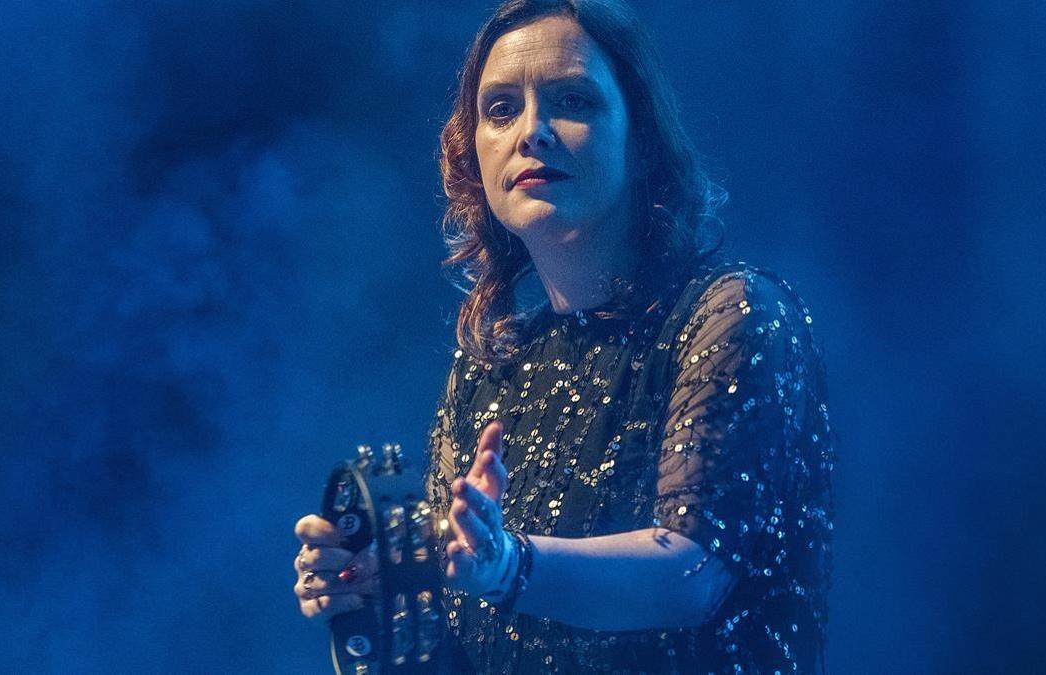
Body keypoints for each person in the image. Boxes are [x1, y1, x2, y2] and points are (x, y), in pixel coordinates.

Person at [294, 0, 835, 672]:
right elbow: (471, 635)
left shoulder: (735, 314)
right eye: (500, 109)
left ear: (641, 142)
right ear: (473, 155)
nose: (532, 132)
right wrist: (385, 587)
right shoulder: (492, 364)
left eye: (572, 101)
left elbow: (692, 572)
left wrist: (509, 566)